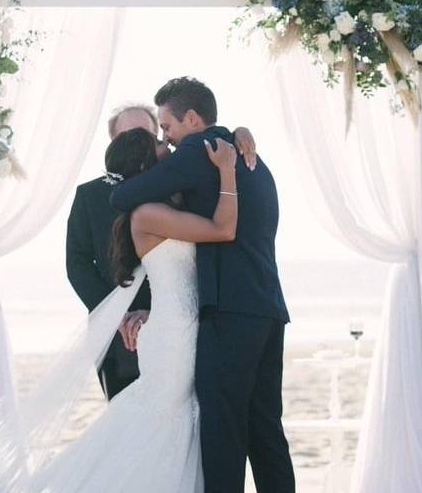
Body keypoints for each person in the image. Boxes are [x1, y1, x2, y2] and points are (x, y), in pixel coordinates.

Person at [0, 127, 239, 492]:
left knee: (165, 422)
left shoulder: (166, 204)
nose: (167, 147)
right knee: (161, 424)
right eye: (159, 144)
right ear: (144, 163)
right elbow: (223, 229)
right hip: (173, 340)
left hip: (173, 325)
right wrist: (228, 169)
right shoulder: (148, 213)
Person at [112, 77, 294, 492]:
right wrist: (239, 131)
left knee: (223, 431)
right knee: (266, 428)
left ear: (192, 119)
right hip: (267, 307)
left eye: (167, 127)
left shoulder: (198, 150)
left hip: (229, 312)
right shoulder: (250, 156)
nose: (166, 138)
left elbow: (123, 196)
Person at [66, 104, 256, 399]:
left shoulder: (179, 188)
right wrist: (118, 316)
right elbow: (77, 264)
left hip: (176, 322)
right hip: (121, 335)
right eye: (129, 135)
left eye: (147, 134)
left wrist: (240, 133)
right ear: (116, 142)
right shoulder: (89, 195)